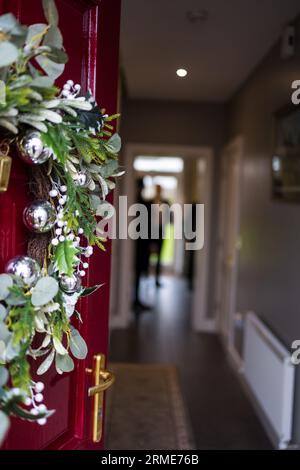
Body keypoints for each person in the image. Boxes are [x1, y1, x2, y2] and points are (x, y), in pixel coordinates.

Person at [134, 178, 152, 311]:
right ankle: (135, 300)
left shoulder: (144, 203)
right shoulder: (139, 203)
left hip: (141, 243)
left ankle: (136, 299)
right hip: (137, 244)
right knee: (136, 272)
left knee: (139, 273)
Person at [150, 185, 170, 288]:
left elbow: (169, 218)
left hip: (161, 232)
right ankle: (147, 277)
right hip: (149, 233)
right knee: (148, 255)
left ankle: (157, 279)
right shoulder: (150, 202)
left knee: (159, 257)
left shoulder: (165, 202)